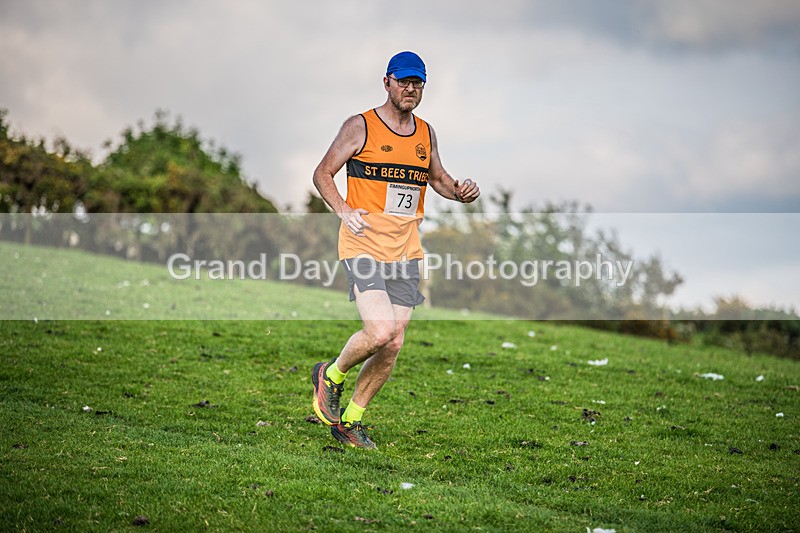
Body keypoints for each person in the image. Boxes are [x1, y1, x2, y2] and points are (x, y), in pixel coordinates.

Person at [311, 51, 480, 449]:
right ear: (386, 82)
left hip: (406, 250)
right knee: (380, 330)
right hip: (363, 243)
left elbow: (437, 178)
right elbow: (322, 173)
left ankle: (351, 420)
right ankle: (331, 376)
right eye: (403, 81)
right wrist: (343, 208)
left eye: (417, 83)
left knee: (395, 340)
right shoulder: (360, 126)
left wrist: (460, 191)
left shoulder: (425, 133)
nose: (410, 88)